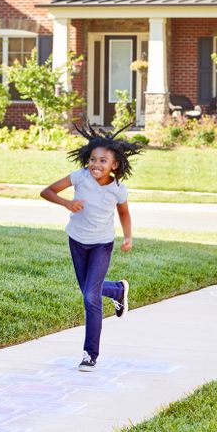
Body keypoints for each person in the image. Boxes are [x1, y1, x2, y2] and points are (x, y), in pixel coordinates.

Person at [41, 123, 144, 372]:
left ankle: (90, 354)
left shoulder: (118, 189)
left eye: (103, 161)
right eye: (93, 159)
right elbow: (47, 191)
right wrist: (67, 203)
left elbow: (124, 213)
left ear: (115, 165)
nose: (96, 164)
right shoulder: (80, 177)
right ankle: (118, 290)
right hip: (77, 241)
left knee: (90, 296)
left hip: (101, 244)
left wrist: (128, 237)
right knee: (88, 289)